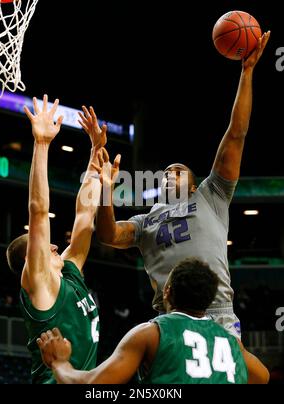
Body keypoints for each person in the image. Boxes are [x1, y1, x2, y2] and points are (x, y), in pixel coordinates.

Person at [95, 32, 271, 338]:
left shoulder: (210, 196)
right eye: (166, 171)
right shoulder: (145, 220)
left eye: (178, 170)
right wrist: (105, 190)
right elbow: (107, 234)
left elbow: (236, 134)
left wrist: (247, 73)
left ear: (193, 185)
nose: (169, 172)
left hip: (216, 311)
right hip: (168, 316)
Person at [37, 259, 270, 384]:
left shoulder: (151, 333)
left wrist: (60, 364)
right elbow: (263, 377)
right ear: (208, 301)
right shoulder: (232, 343)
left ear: (167, 291)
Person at [6, 97, 106, 384]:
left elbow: (85, 215)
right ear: (31, 261)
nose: (53, 245)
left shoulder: (69, 274)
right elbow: (38, 211)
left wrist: (95, 154)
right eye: (44, 246)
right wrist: (41, 143)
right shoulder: (40, 283)